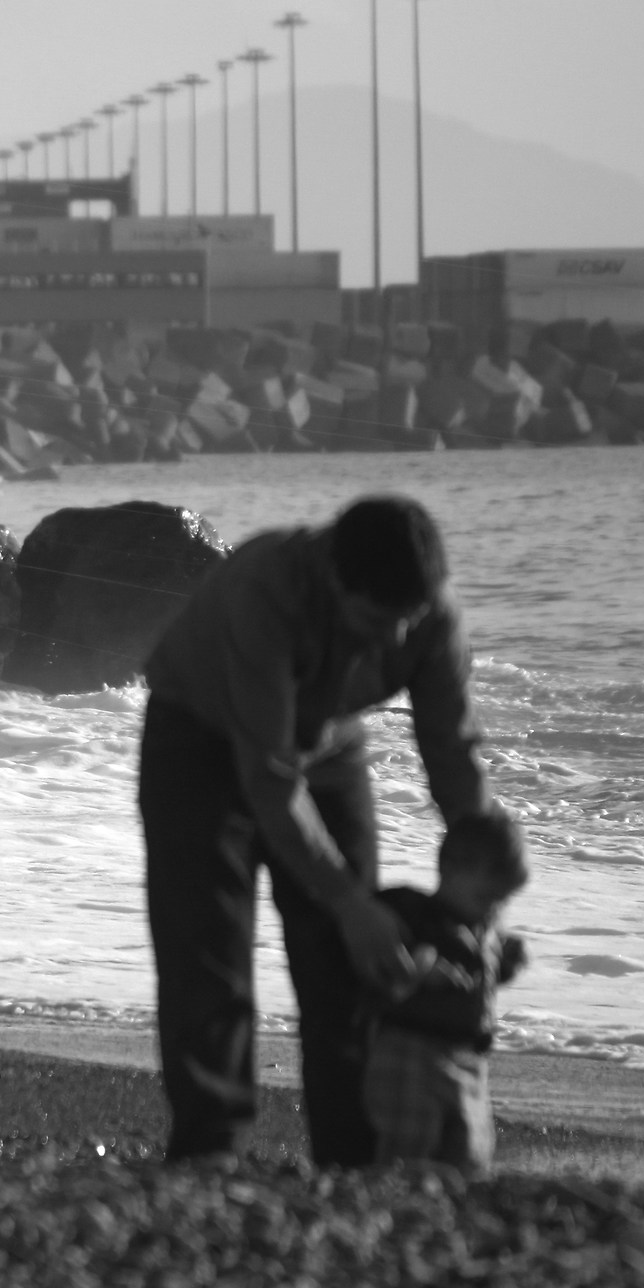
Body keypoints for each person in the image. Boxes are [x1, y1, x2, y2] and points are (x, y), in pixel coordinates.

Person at [138, 494, 491, 1166]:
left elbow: (454, 751)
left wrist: (482, 885)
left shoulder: (432, 610)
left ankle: (352, 1157)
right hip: (198, 736)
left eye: (407, 620)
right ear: (332, 574)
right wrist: (352, 903)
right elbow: (269, 779)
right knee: (208, 947)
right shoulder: (265, 588)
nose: (392, 640)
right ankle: (209, 1150)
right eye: (372, 619)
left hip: (327, 746)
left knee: (347, 958)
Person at [367, 807, 530, 1173]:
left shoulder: (481, 929)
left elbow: (478, 983)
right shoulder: (414, 913)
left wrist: (504, 963)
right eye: (486, 897)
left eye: (502, 900)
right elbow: (383, 973)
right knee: (407, 1156)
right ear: (449, 870)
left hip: (469, 1059)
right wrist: (423, 969)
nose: (493, 908)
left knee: (470, 1154)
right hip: (410, 1054)